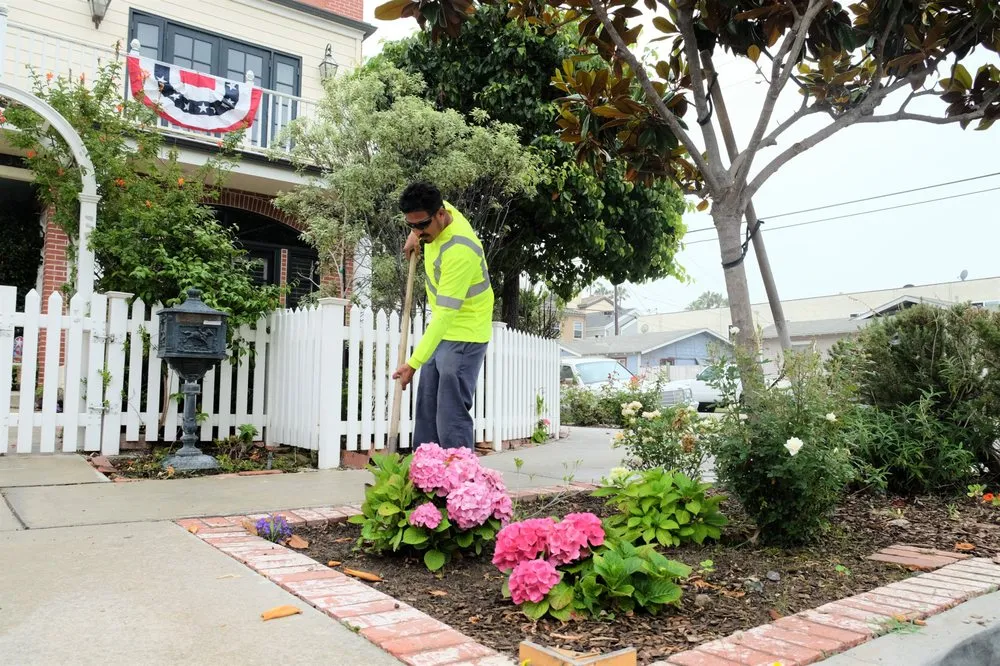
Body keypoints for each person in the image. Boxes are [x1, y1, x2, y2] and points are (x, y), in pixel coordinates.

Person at [391, 181, 494, 450]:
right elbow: (428, 216)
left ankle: (461, 486)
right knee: (426, 409)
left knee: (450, 416)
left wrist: (412, 363)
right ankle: (425, 479)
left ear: (440, 215)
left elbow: (446, 314)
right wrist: (417, 234)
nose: (417, 231)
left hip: (465, 333)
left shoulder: (460, 249)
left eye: (422, 225)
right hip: (444, 330)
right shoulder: (438, 215)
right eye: (411, 225)